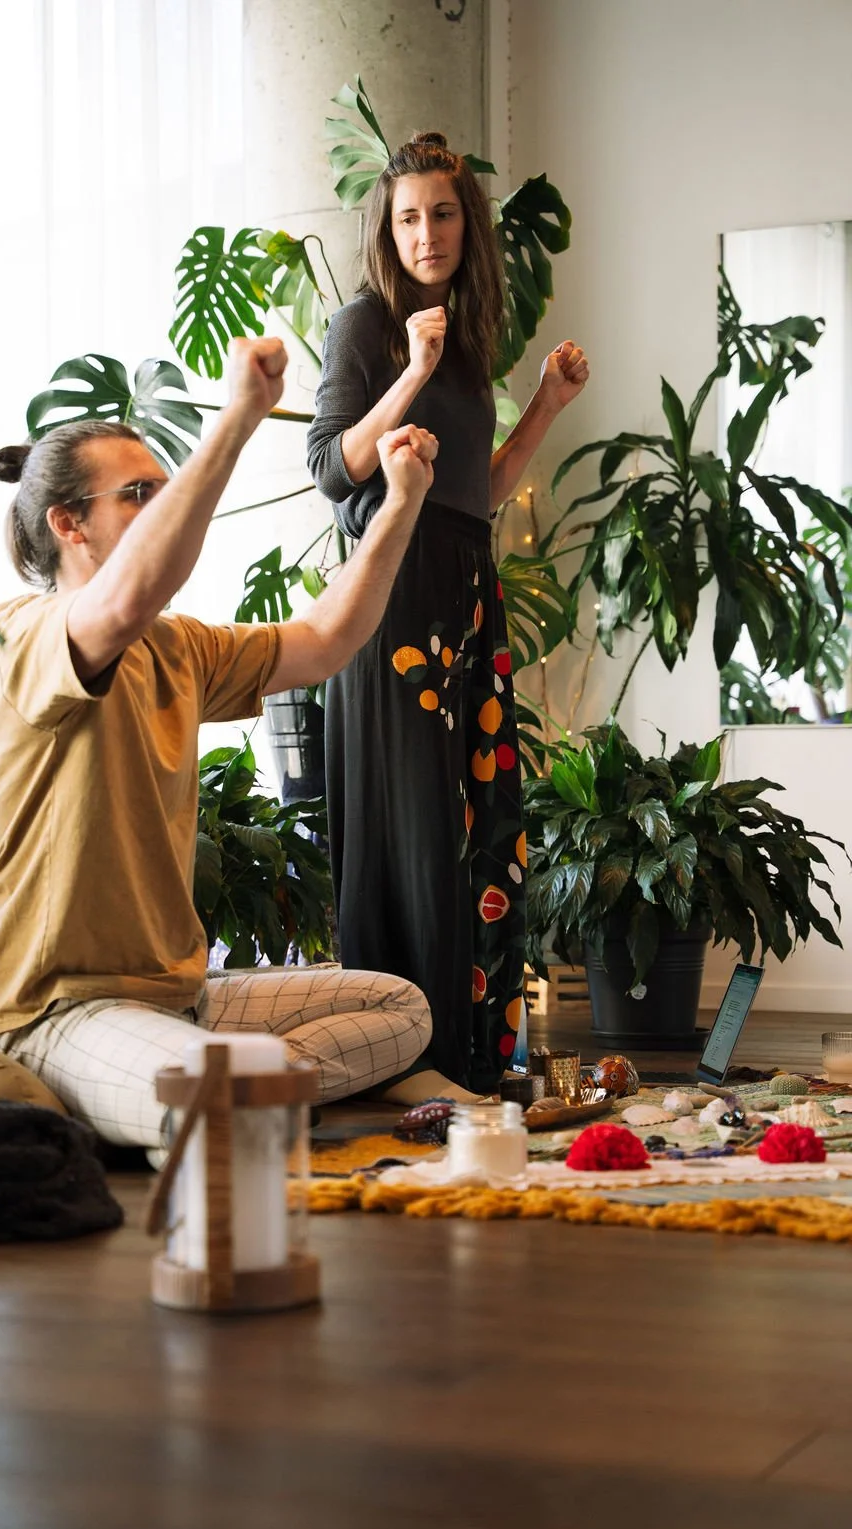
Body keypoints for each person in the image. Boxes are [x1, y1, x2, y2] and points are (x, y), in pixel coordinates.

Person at [0, 335, 439, 1156]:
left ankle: (208, 1087)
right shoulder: (18, 636)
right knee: (244, 1097)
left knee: (403, 1008)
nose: (164, 501)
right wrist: (239, 417)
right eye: (140, 493)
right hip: (57, 1012)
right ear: (67, 523)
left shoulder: (176, 646)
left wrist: (400, 503)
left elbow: (324, 640)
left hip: (184, 1000)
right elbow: (121, 603)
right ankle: (199, 1092)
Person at [307, 132, 589, 1103]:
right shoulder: (367, 327)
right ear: (388, 232)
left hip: (467, 584)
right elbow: (331, 468)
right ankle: (401, 1063)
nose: (427, 231)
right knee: (416, 833)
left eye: (443, 212)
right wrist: (408, 373)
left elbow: (482, 487)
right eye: (409, 216)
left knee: (482, 828)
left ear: (467, 225)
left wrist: (546, 403)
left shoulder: (464, 341)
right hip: (391, 596)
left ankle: (473, 1057)